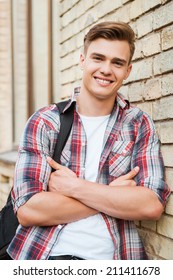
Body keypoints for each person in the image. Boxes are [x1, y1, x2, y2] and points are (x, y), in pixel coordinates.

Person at [7, 21, 170, 260]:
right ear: (82, 60)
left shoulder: (138, 124)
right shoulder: (46, 121)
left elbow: (151, 206)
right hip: (45, 257)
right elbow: (28, 210)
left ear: (128, 71)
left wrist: (74, 187)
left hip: (116, 260)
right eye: (98, 58)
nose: (106, 69)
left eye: (117, 62)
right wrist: (111, 195)